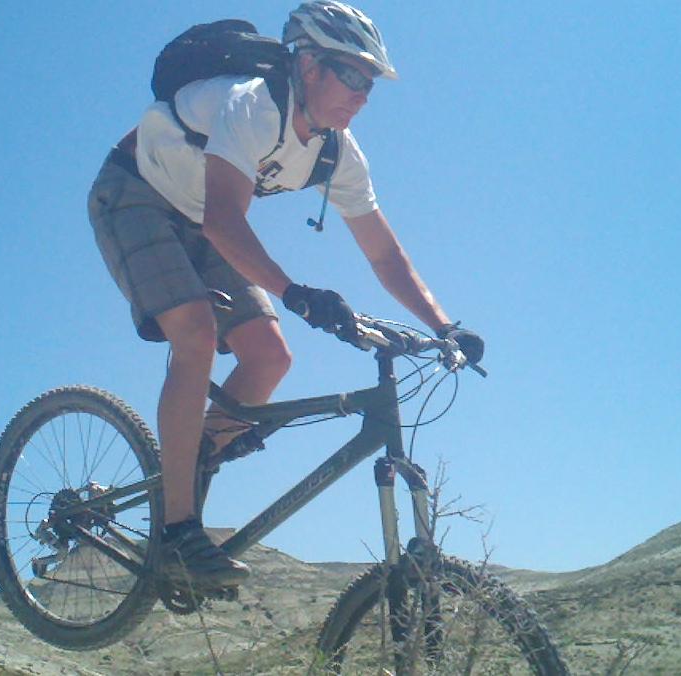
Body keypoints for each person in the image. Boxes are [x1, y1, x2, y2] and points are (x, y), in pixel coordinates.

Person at [87, 1, 484, 588]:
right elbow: (225, 219)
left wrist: (444, 326)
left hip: (198, 219)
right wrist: (297, 292)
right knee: (194, 332)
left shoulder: (338, 153)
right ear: (308, 65)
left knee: (271, 357)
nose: (363, 93)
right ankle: (176, 531)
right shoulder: (251, 104)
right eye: (351, 74)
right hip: (135, 195)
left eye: (370, 82)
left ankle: (188, 460)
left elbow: (384, 254)